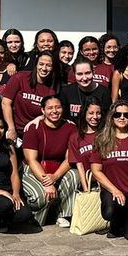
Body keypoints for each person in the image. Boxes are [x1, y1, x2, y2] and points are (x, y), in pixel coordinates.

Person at [89, 101, 128, 240]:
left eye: (126, 115)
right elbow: (96, 171)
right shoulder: (101, 139)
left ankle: (125, 221)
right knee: (109, 212)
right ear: (111, 117)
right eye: (118, 114)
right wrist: (114, 190)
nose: (122, 118)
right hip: (114, 192)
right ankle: (115, 224)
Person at [21, 96, 80, 227]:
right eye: (50, 108)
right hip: (34, 168)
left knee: (74, 174)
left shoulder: (70, 128)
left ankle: (63, 214)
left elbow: (69, 158)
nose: (54, 111)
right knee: (41, 197)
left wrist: (55, 176)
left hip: (57, 168)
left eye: (58, 107)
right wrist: (46, 182)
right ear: (43, 110)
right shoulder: (33, 128)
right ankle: (37, 218)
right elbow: (31, 160)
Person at [0, 50, 59, 142]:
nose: (44, 68)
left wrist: (41, 118)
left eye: (48, 65)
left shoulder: (53, 89)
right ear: (36, 64)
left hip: (34, 132)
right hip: (12, 129)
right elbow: (5, 103)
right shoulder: (20, 77)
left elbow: (51, 112)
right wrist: (11, 128)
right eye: (41, 64)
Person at [59, 57, 112, 122]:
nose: (84, 78)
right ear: (74, 74)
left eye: (87, 73)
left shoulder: (104, 92)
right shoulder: (66, 92)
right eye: (80, 74)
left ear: (93, 72)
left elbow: (107, 119)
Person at [68, 100, 104, 193]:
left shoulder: (106, 134)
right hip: (88, 184)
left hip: (105, 184)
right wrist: (86, 190)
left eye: (98, 113)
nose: (95, 117)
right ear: (84, 114)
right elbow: (79, 165)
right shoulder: (75, 137)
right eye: (91, 113)